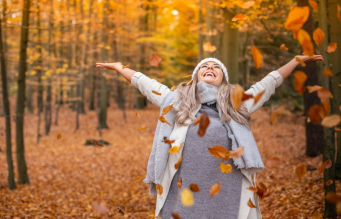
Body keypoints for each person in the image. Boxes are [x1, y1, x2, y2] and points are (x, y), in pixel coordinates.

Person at [96, 55, 323, 219]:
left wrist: (294, 61)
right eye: (205, 66)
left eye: (216, 66)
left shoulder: (237, 102)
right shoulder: (177, 101)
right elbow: (147, 85)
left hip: (228, 190)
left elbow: (267, 84)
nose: (210, 67)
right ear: (196, 76)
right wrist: (119, 68)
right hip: (183, 190)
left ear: (223, 78)